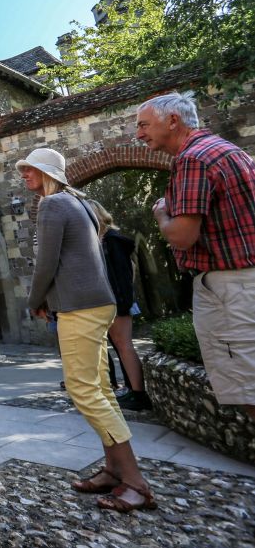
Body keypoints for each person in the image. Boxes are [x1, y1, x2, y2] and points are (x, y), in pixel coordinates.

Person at [18, 147, 156, 513]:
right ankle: (113, 470)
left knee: (83, 390)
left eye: (29, 169)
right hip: (96, 302)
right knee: (101, 389)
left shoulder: (52, 205)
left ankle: (135, 482)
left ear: (46, 171)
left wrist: (34, 300)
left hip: (80, 305)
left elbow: (46, 262)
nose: (24, 175)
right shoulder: (79, 202)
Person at [137, 92, 255, 421]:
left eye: (144, 125)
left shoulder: (193, 159)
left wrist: (161, 213)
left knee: (250, 390)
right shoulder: (225, 150)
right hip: (243, 282)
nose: (139, 134)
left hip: (233, 289)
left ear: (172, 121)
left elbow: (182, 236)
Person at [87, 200, 151, 411]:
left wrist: (121, 304)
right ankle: (133, 390)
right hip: (113, 302)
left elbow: (123, 276)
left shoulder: (112, 241)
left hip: (118, 302)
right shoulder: (103, 241)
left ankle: (139, 394)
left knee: (124, 347)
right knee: (120, 346)